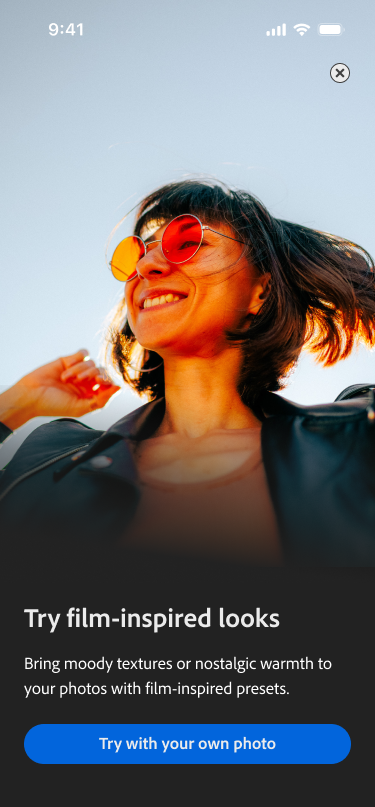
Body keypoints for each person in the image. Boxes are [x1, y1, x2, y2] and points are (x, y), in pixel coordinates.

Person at [0, 180, 374, 567]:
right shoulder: (50, 459)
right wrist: (15, 404)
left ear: (259, 291)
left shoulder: (355, 437)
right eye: (136, 255)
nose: (146, 266)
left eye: (187, 240)